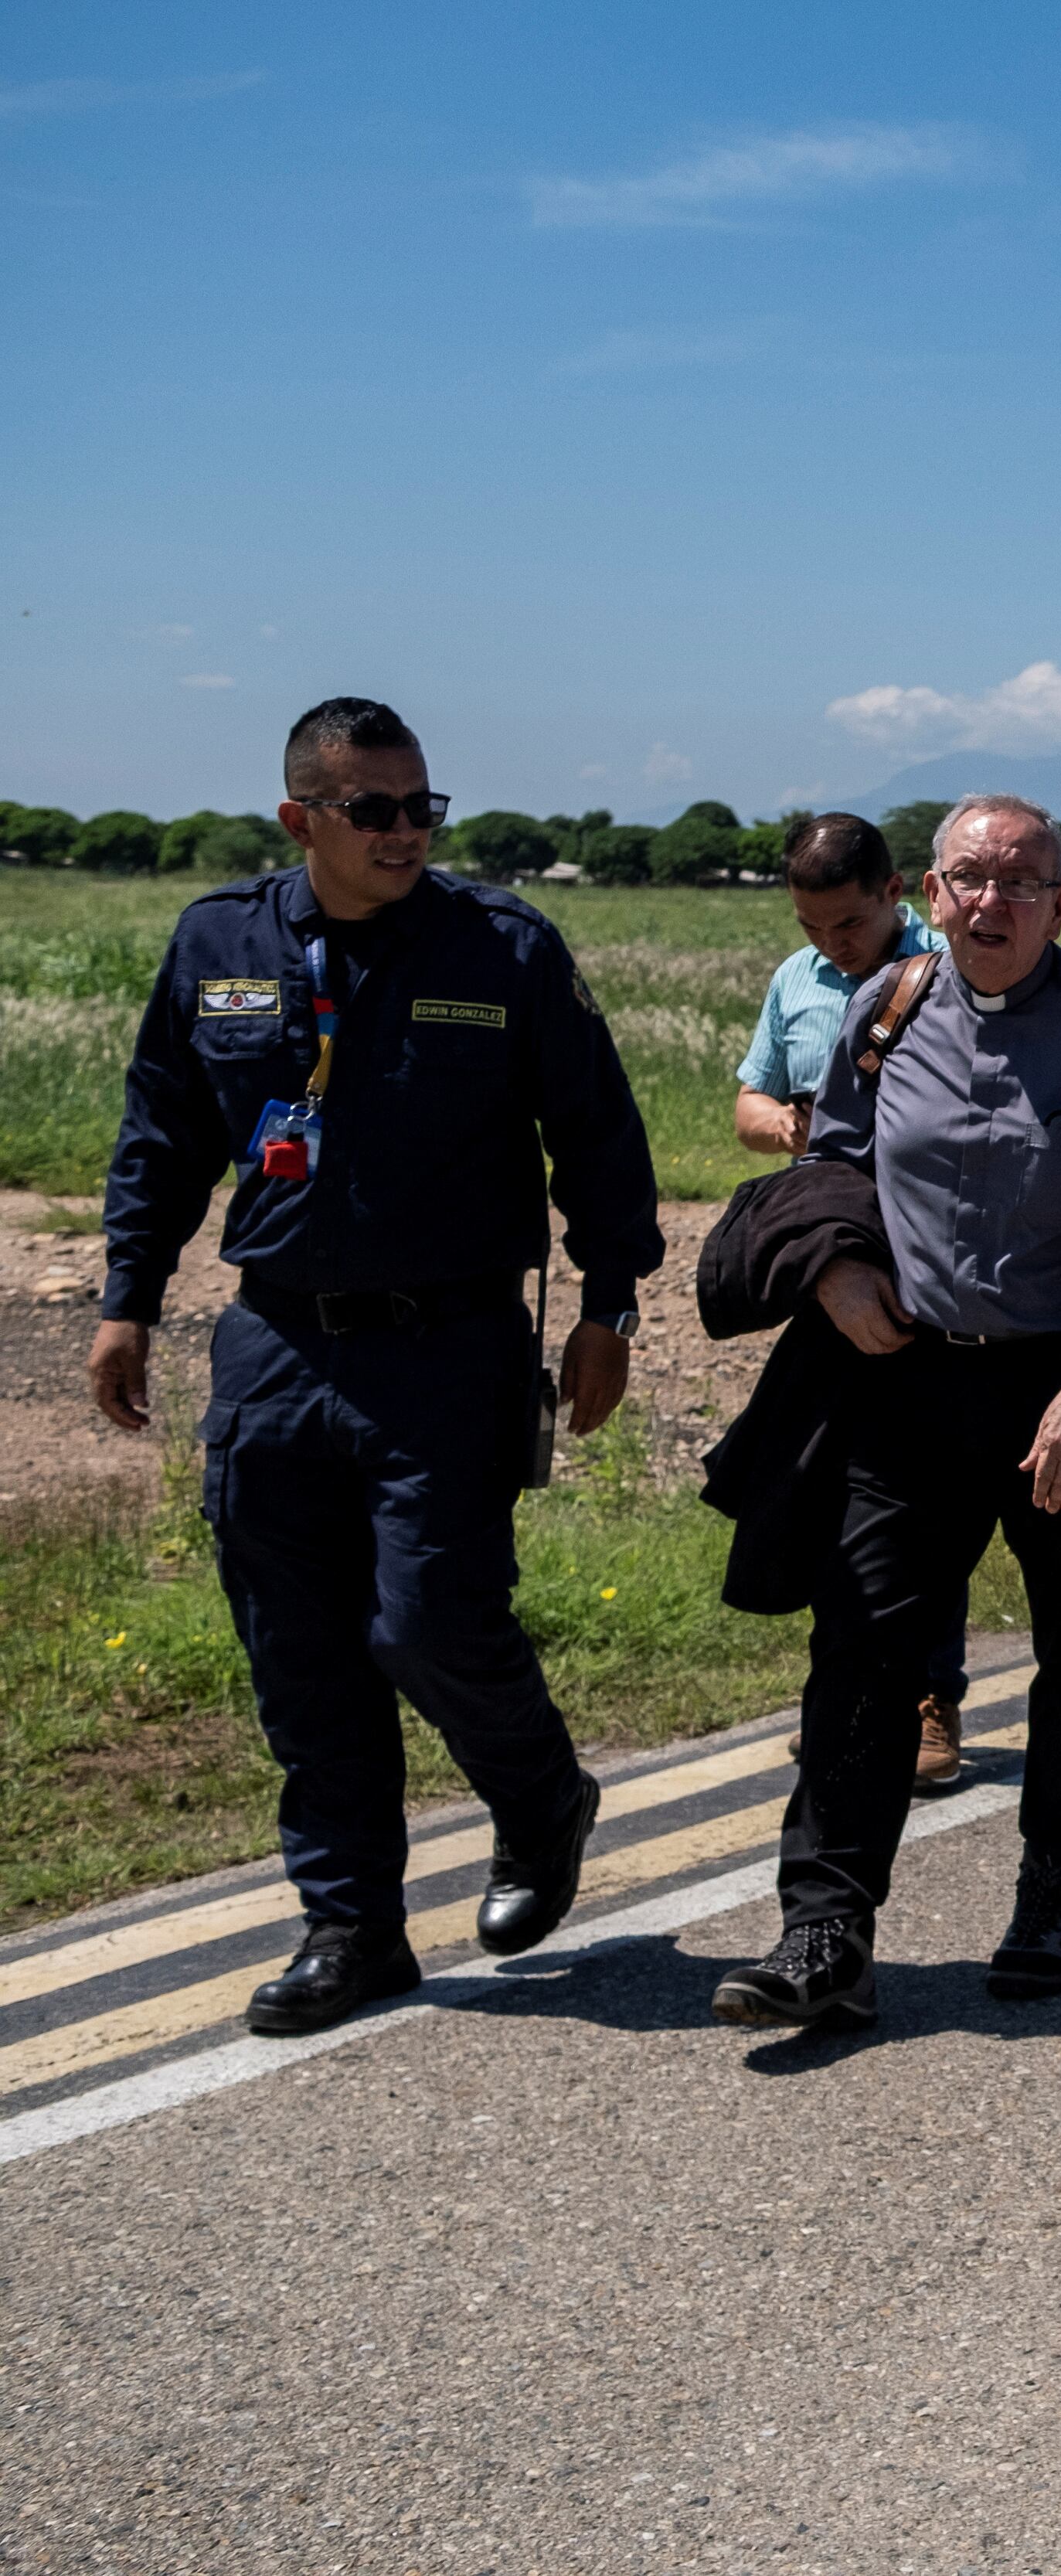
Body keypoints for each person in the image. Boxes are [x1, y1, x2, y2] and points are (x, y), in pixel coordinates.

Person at [91, 696, 664, 2034]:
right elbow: (163, 1129)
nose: (407, 831)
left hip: (449, 1342)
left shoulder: (500, 944)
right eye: (376, 810)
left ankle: (539, 1797)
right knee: (301, 1653)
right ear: (302, 820)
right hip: (276, 1341)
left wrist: (611, 1307)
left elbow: (597, 1131)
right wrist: (126, 1296)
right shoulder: (219, 941)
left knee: (426, 1622)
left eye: (424, 806)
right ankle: (351, 1926)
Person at [709, 795, 1061, 2033]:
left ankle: (1059, 1891)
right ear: (931, 895)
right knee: (866, 1650)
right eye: (971, 881)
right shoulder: (886, 1016)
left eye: (1022, 882)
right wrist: (832, 1270)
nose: (993, 904)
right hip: (909, 1384)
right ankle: (825, 1928)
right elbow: (829, 1164)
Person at [731, 812, 973, 1794]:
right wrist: (799, 1127)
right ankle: (843, 1692)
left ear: (895, 894)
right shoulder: (797, 983)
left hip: (929, 1269)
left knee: (929, 1494)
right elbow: (750, 1107)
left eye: (846, 923)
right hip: (830, 1258)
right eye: (809, 925)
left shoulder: (951, 969)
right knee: (829, 1485)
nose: (829, 944)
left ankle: (929, 1695)